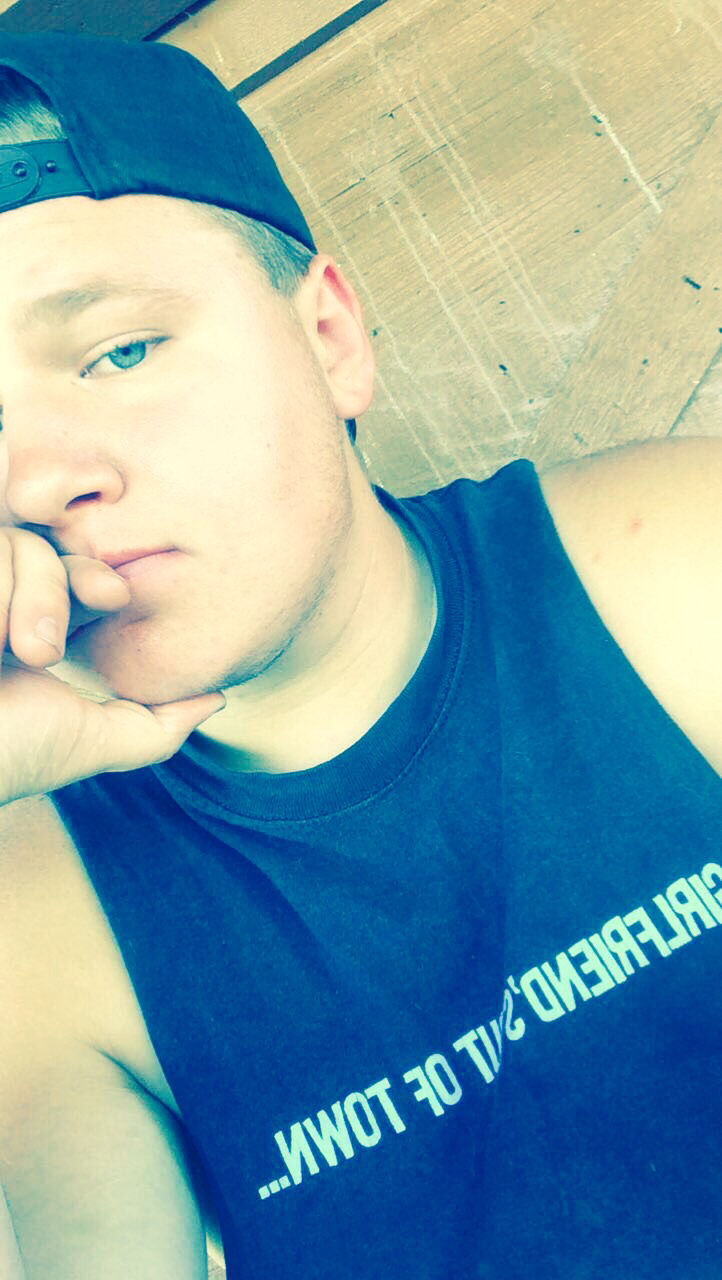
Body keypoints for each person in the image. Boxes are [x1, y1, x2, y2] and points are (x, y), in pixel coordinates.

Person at [0, 28, 719, 1280]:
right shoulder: (43, 925)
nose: (35, 479)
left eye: (120, 351)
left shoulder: (678, 567)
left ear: (329, 337)